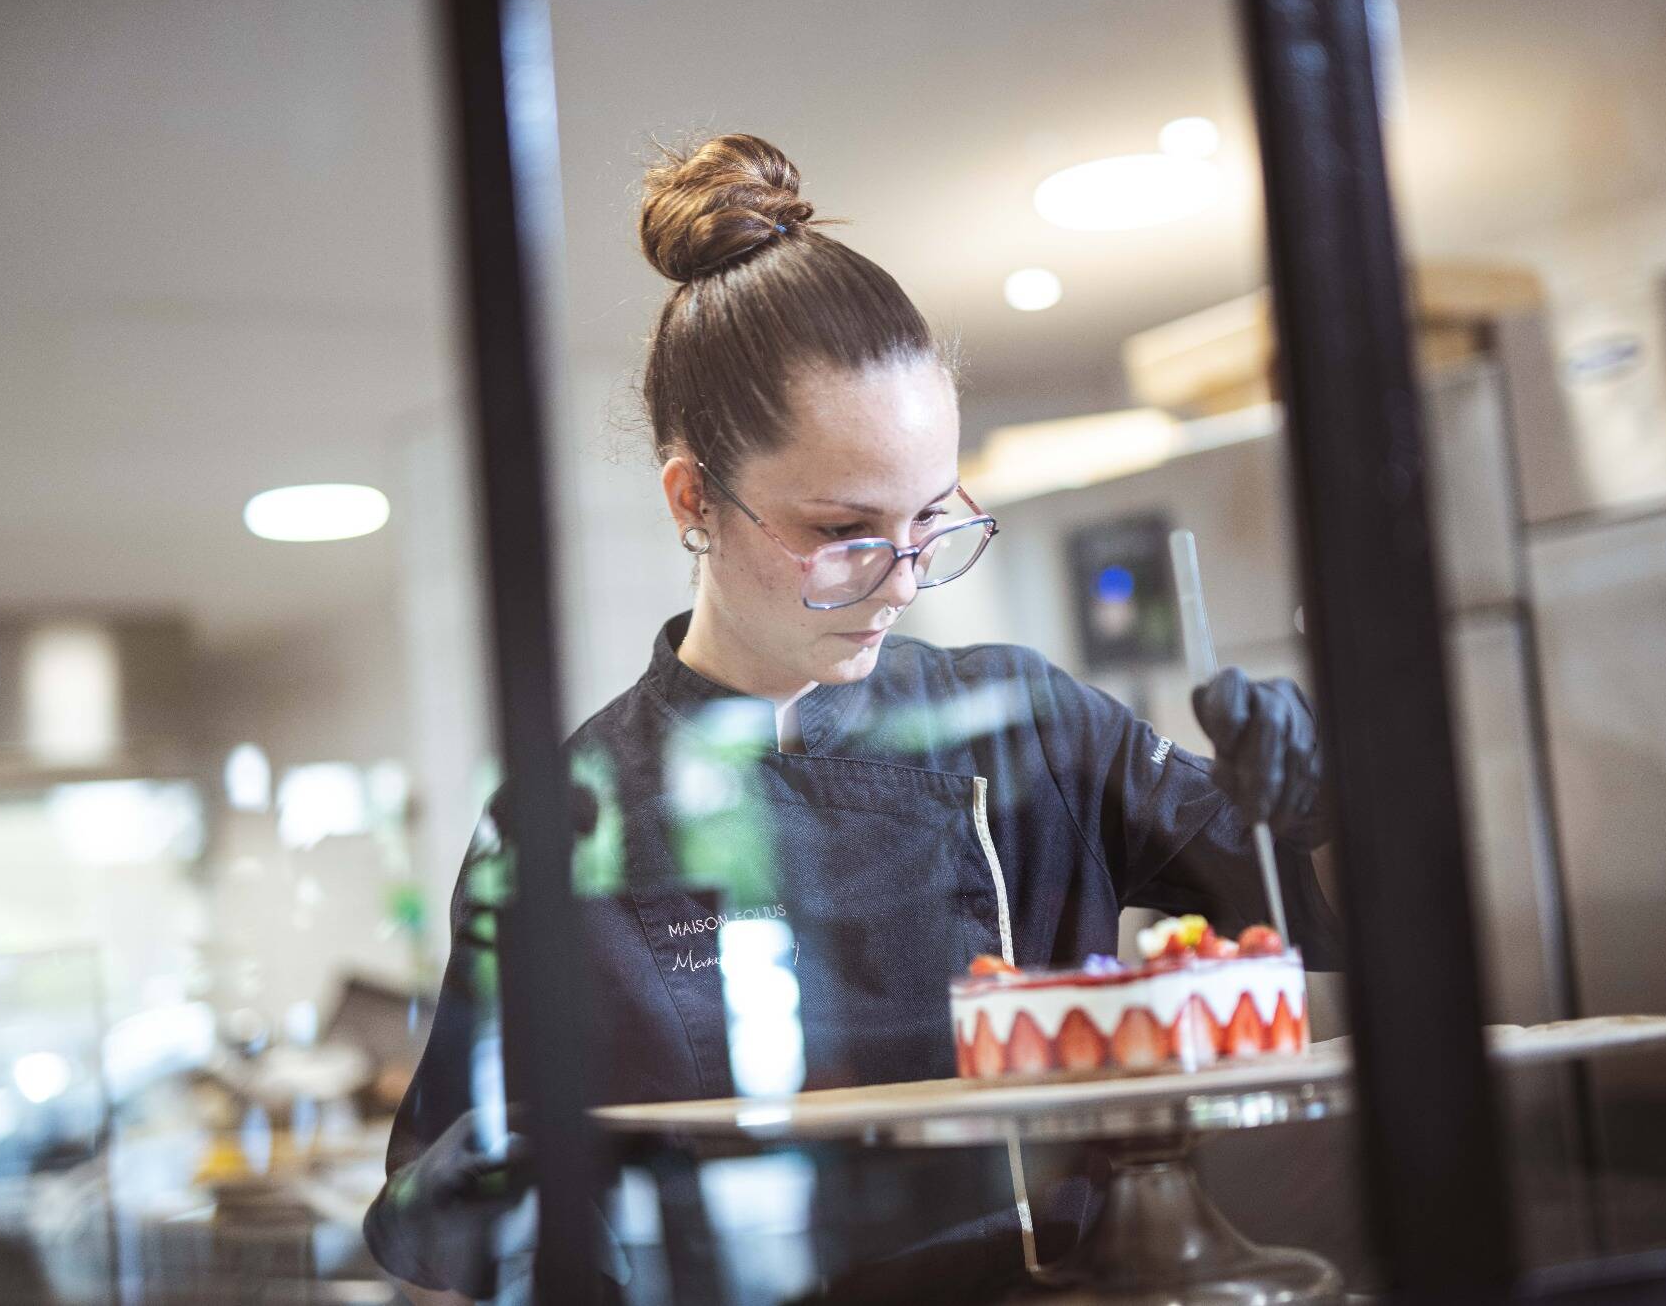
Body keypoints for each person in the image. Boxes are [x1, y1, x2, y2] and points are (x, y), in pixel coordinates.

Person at [365, 133, 1341, 1305]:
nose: (903, 580)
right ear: (694, 500)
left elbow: (1300, 910)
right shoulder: (565, 814)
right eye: (845, 532)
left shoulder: (1020, 721)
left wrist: (1316, 785)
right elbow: (438, 1203)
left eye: (931, 516)